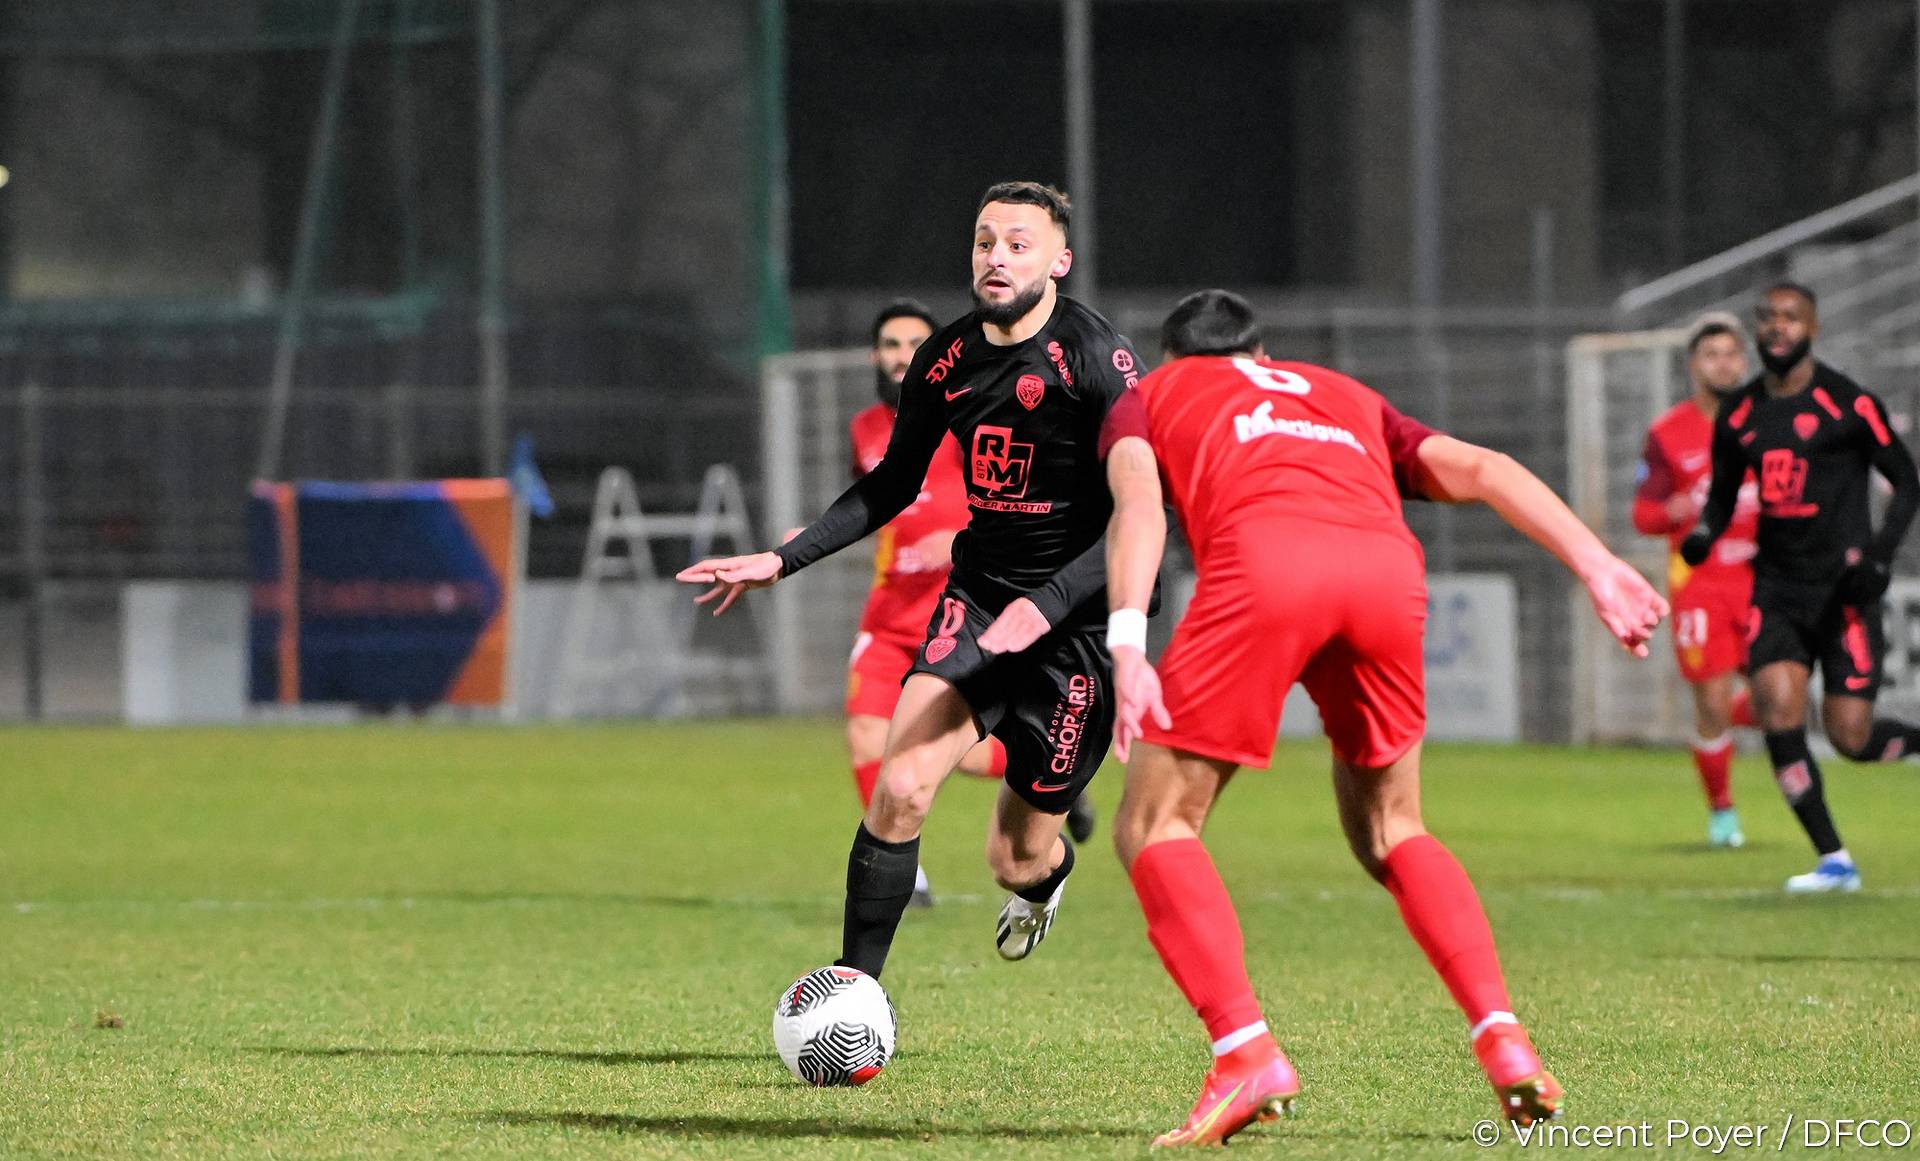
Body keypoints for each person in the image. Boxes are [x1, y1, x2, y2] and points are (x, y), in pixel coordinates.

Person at [1084, 289, 1665, 1146]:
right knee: (1394, 827)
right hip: (1386, 574)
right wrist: (1599, 565)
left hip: (1265, 565)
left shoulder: (1151, 394)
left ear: (1172, 357)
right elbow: (1483, 468)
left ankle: (1245, 1052)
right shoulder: (1339, 393)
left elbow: (1137, 504)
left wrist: (1128, 641)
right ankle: (1503, 1036)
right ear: (1263, 354)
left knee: (1156, 823)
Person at [679, 181, 1143, 980]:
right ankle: (853, 990)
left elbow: (1141, 514)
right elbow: (891, 484)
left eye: (1019, 244)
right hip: (980, 602)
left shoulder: (1099, 359)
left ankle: (1045, 878)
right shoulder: (946, 360)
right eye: (985, 241)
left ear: (1059, 261)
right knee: (899, 785)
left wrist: (1048, 605)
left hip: (1078, 626)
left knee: (1014, 856)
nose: (997, 257)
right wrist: (781, 559)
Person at [1681, 282, 1920, 894]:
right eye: (1767, 318)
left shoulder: (1848, 403)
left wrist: (1879, 557)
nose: (1777, 327)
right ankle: (1833, 859)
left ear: (1812, 328)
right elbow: (1723, 494)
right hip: (1777, 591)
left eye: (1790, 318)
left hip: (1844, 594)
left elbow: (1906, 480)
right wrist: (1705, 533)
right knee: (1778, 710)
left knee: (1851, 737)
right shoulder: (1740, 413)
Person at [843, 300, 1004, 909]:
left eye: (915, 344)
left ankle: (1038, 769)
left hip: (957, 609)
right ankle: (904, 877)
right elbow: (871, 506)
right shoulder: (864, 428)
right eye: (890, 344)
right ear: (874, 355)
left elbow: (1010, 500)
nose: (901, 355)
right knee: (866, 735)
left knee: (955, 753)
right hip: (888, 612)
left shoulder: (969, 415)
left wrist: (960, 533)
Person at [1632, 313, 1759, 847]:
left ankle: (1735, 719)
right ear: (1693, 365)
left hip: (1763, 576)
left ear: (1744, 362)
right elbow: (1643, 514)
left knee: (1781, 694)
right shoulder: (1668, 433)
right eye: (1712, 355)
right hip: (1701, 583)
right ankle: (1722, 812)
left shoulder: (1767, 421)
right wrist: (1672, 510)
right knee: (1710, 700)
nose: (1723, 364)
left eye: (1731, 354)